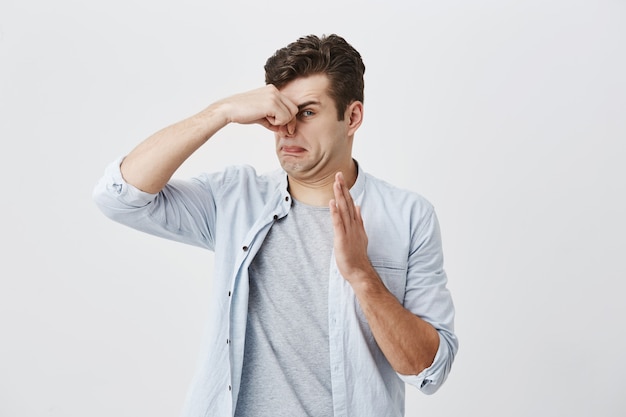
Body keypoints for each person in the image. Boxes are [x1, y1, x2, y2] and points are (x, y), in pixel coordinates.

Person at [93, 34, 458, 417]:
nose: (286, 128)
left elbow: (430, 370)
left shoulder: (409, 216)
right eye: (279, 113)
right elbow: (117, 197)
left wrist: (363, 276)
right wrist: (220, 112)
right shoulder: (235, 199)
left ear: (351, 117)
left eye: (307, 112)